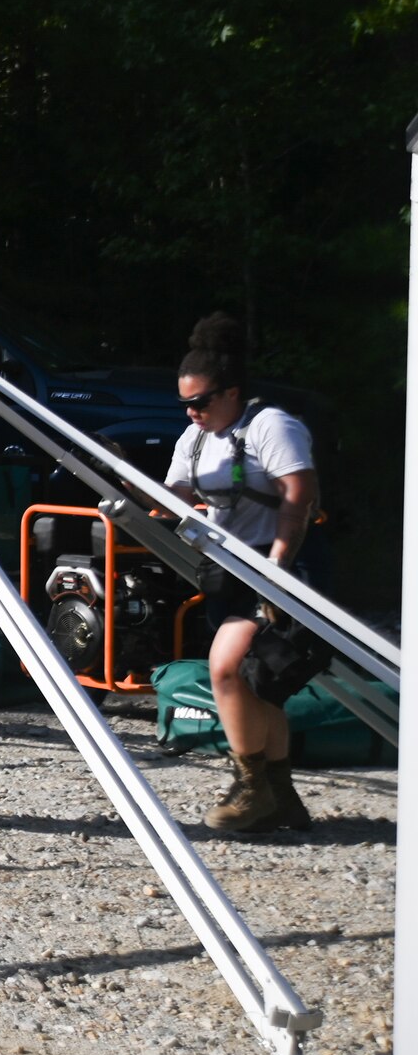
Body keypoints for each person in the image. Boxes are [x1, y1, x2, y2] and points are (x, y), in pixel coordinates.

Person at [164, 312, 319, 834]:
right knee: (259, 682)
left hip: (282, 564)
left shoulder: (271, 427)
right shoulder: (195, 440)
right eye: (184, 404)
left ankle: (250, 788)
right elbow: (173, 500)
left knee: (226, 668)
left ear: (231, 393)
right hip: (228, 570)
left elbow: (299, 492)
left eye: (201, 402)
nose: (192, 413)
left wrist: (279, 566)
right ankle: (282, 795)